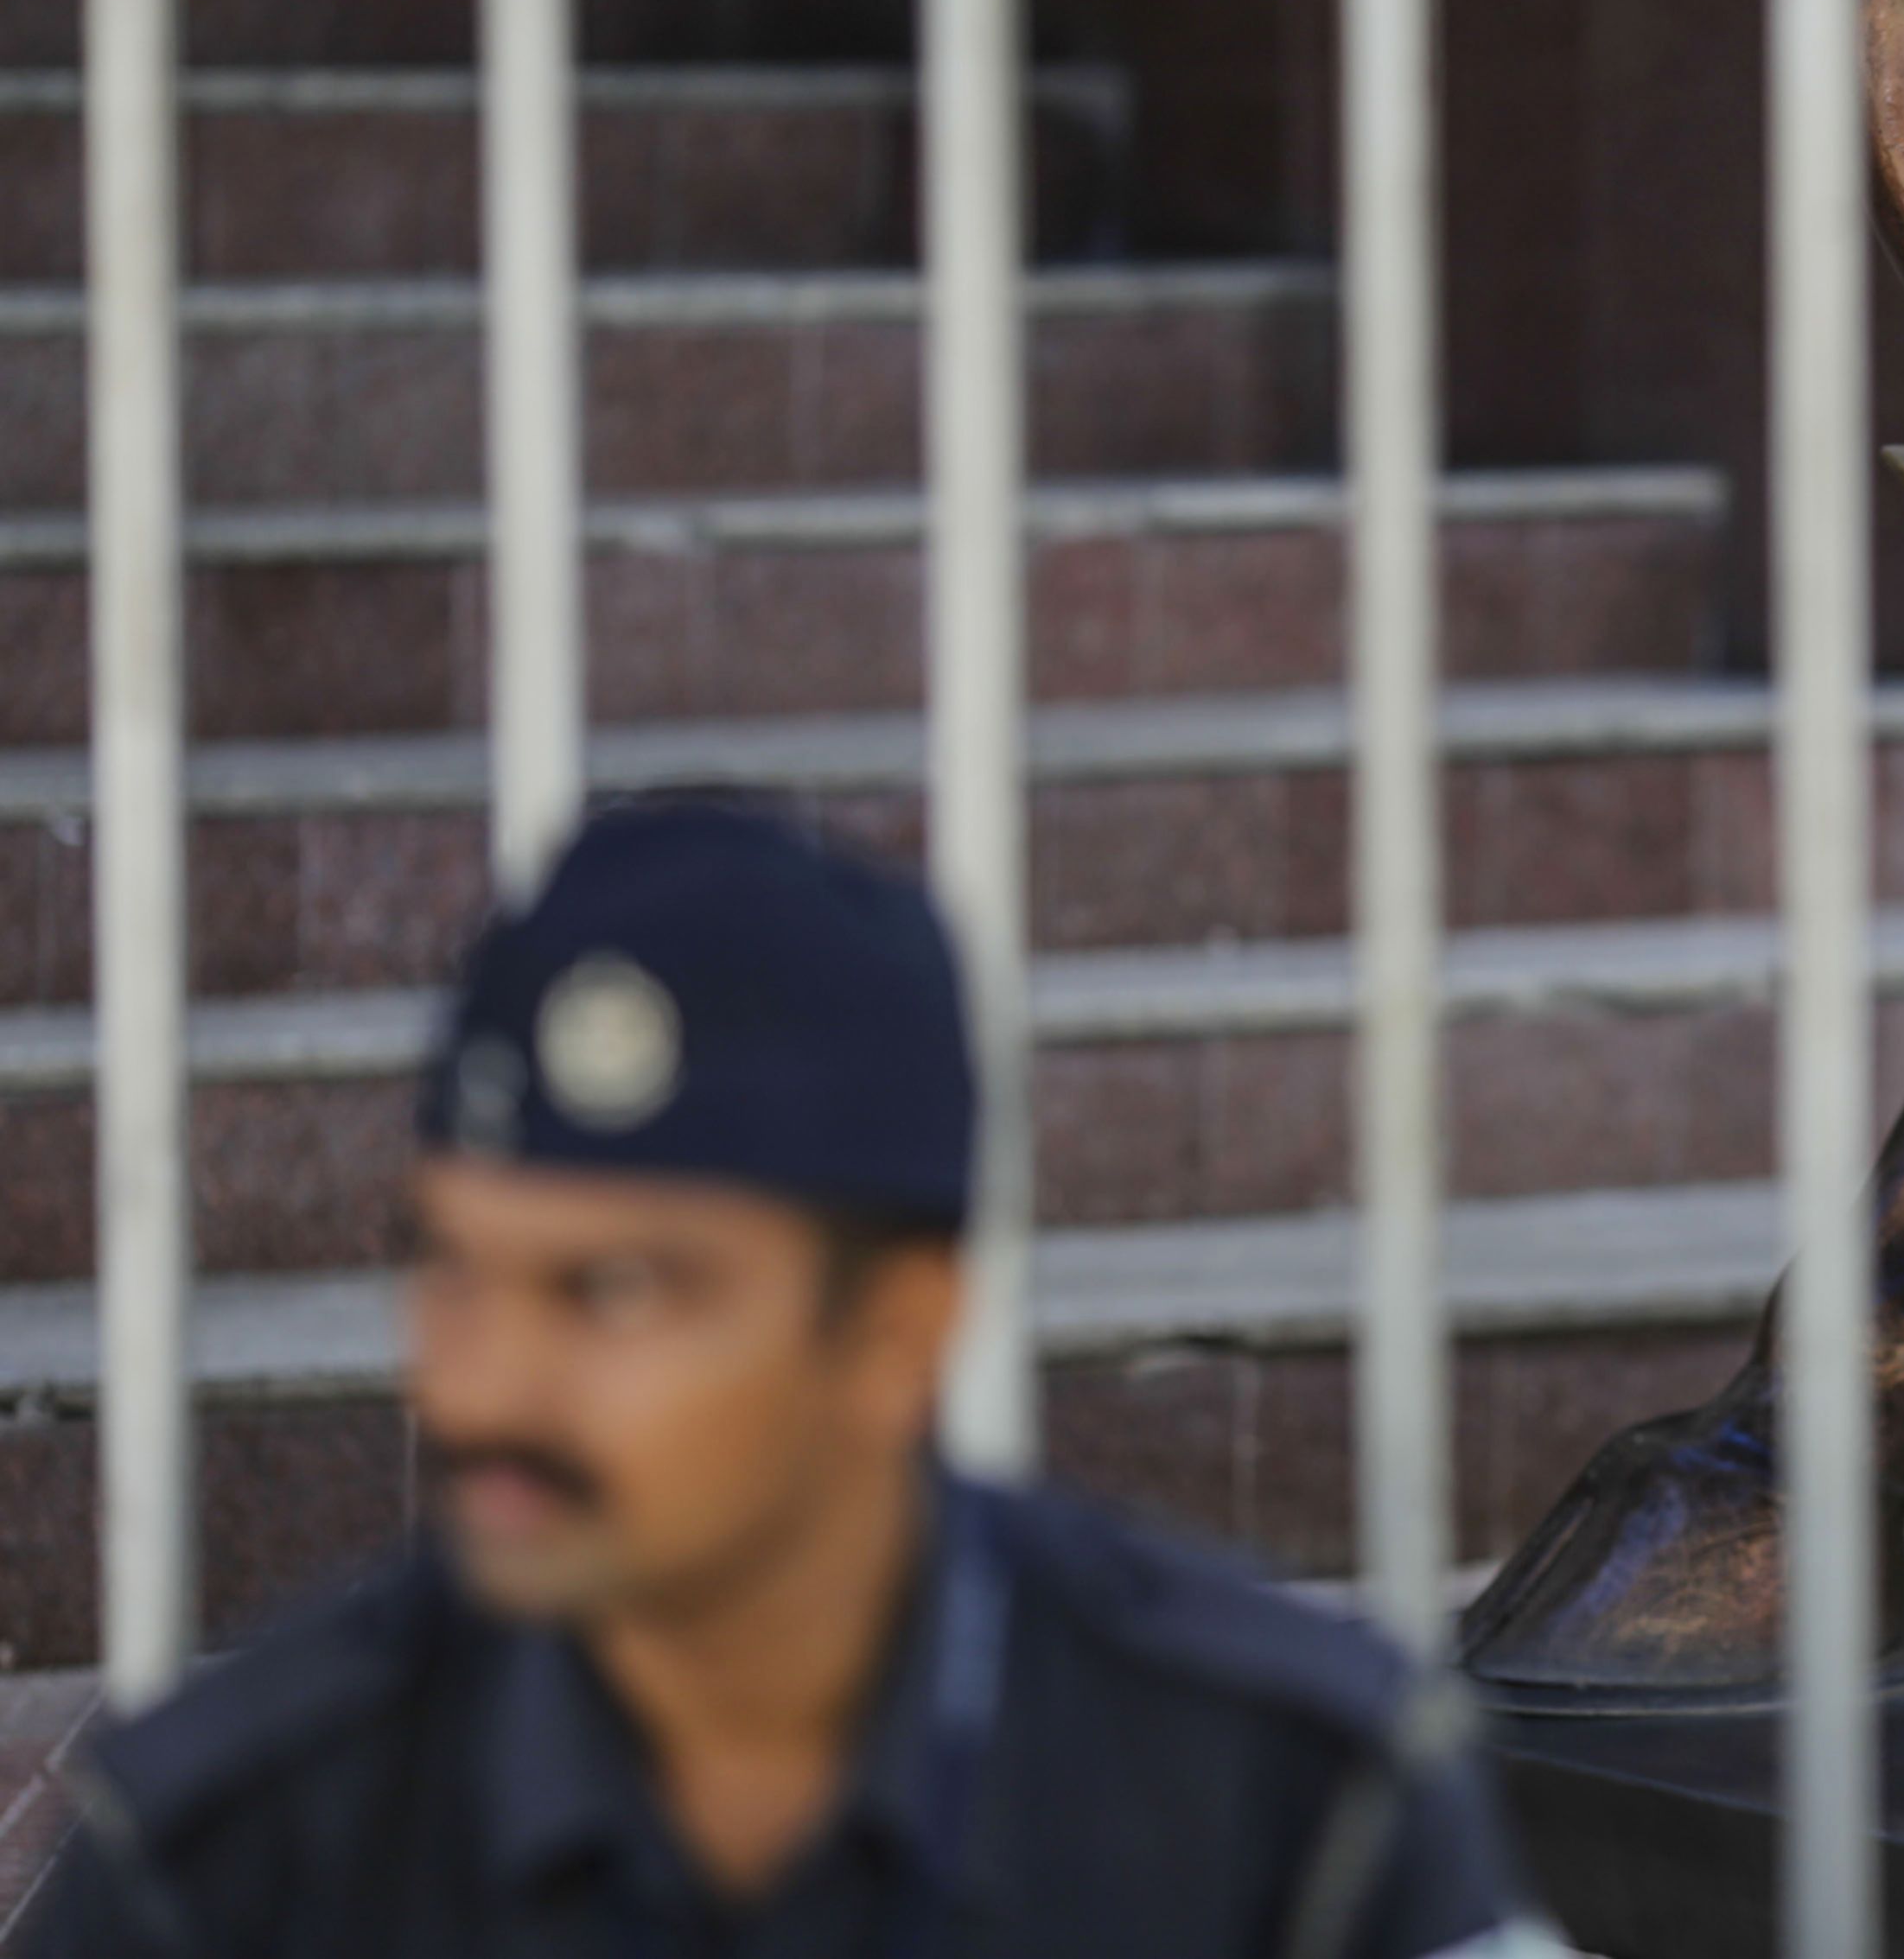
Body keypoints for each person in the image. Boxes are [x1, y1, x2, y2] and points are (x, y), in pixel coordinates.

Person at [35, 799, 1544, 1959]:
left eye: (616, 1294)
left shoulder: (1292, 1811)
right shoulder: (223, 1863)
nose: (482, 1389)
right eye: (452, 1269)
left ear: (896, 1335)